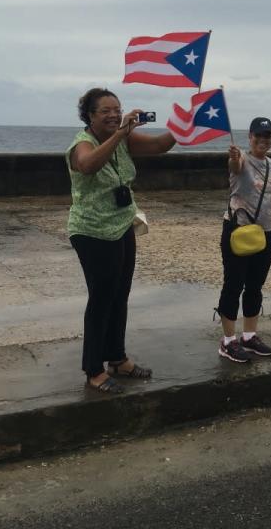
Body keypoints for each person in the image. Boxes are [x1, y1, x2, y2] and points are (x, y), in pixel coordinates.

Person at [67, 87, 176, 394]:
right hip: (91, 231)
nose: (114, 114)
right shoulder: (82, 143)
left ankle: (117, 357)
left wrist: (184, 126)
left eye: (117, 109)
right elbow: (88, 165)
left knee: (120, 294)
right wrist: (119, 134)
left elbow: (159, 145)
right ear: (90, 116)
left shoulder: (125, 139)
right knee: (101, 298)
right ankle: (93, 369)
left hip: (122, 224)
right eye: (106, 111)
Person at [216, 117, 271, 362]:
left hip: (266, 232)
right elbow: (235, 167)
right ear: (249, 137)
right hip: (238, 230)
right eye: (258, 136)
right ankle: (228, 341)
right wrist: (233, 156)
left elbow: (270, 198)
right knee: (233, 285)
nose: (263, 140)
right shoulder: (241, 159)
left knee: (255, 285)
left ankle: (249, 336)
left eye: (268, 136)